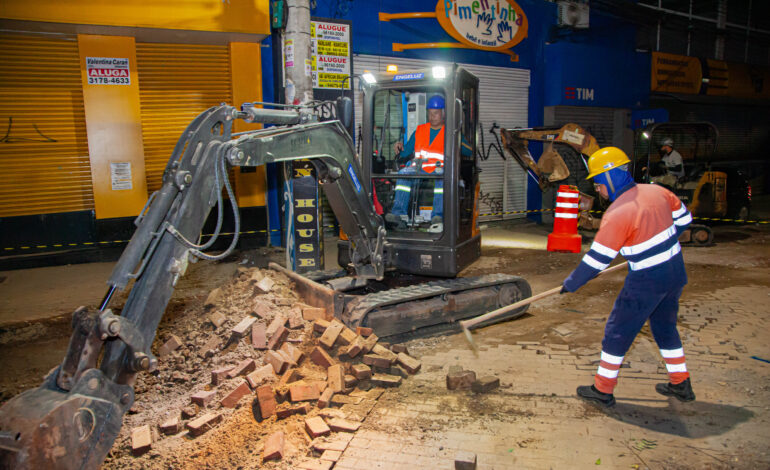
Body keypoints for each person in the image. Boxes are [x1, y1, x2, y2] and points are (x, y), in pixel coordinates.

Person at [561, 146, 695, 407]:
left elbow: (597, 260)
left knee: (617, 332)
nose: (598, 190)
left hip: (647, 280)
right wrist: (661, 244)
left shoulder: (618, 213)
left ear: (610, 177)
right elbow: (684, 220)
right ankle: (681, 383)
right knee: (664, 328)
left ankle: (603, 389)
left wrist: (571, 283)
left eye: (598, 183)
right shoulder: (657, 191)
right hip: (675, 272)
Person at [386, 95, 447, 228]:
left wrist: (459, 142)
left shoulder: (449, 132)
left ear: (443, 113)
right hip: (419, 168)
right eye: (430, 113)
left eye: (435, 113)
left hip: (439, 170)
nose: (432, 116)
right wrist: (400, 148)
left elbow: (467, 150)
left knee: (442, 177)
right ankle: (399, 214)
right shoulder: (420, 130)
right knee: (403, 173)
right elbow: (406, 151)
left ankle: (438, 216)